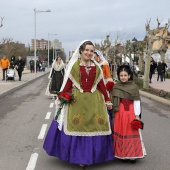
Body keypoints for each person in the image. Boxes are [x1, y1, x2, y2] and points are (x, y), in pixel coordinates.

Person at [43, 40, 114, 167]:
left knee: (94, 126)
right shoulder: (73, 66)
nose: (89, 53)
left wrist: (107, 100)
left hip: (94, 101)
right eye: (87, 50)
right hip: (77, 101)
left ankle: (91, 155)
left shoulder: (97, 67)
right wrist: (62, 96)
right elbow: (68, 84)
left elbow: (101, 85)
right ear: (81, 50)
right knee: (76, 125)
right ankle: (80, 157)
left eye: (92, 51)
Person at [111, 65, 146, 163]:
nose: (123, 77)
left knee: (131, 131)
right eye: (121, 75)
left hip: (131, 113)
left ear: (129, 76)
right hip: (119, 113)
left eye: (125, 75)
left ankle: (132, 155)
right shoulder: (116, 86)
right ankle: (122, 154)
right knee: (121, 131)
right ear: (118, 76)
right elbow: (112, 99)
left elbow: (137, 101)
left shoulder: (134, 87)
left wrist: (137, 115)